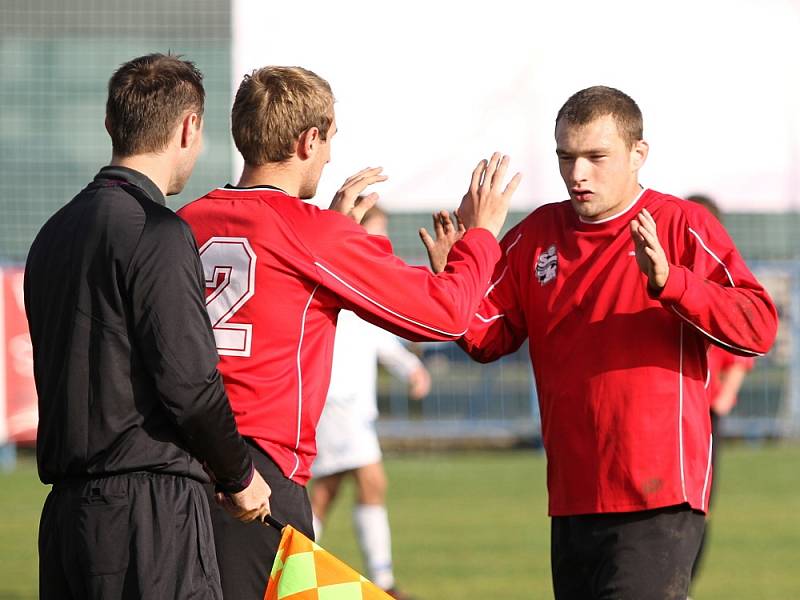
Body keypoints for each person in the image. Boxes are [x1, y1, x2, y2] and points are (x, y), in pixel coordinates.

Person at [177, 65, 520, 598]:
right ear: (308, 140)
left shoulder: (187, 220)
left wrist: (330, 230)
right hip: (258, 483)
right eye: (330, 138)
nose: (332, 154)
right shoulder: (314, 234)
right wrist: (480, 237)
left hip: (175, 478)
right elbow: (447, 314)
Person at [422, 86, 778, 600]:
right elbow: (485, 336)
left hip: (658, 496)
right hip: (572, 497)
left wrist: (671, 282)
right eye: (566, 157)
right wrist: (453, 280)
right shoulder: (537, 234)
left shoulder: (682, 224)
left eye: (595, 157)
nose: (577, 174)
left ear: (639, 154)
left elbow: (759, 324)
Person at [24, 53, 271, 600]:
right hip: (148, 516)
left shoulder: (52, 234)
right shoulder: (157, 232)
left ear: (111, 124)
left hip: (66, 517)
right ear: (190, 128)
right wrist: (239, 476)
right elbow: (190, 384)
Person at [311, 205, 432, 599]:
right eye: (373, 235)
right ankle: (383, 583)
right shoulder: (343, 274)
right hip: (337, 400)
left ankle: (277, 567)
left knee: (326, 491)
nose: (381, 245)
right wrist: (408, 366)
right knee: (370, 479)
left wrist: (408, 367)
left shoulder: (358, 276)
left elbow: (376, 334)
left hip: (349, 404)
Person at [686, 194, 756, 586]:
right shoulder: (671, 272)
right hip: (670, 405)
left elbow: (746, 338)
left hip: (706, 409)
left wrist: (728, 390)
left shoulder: (721, 277)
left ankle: (683, 585)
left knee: (699, 503)